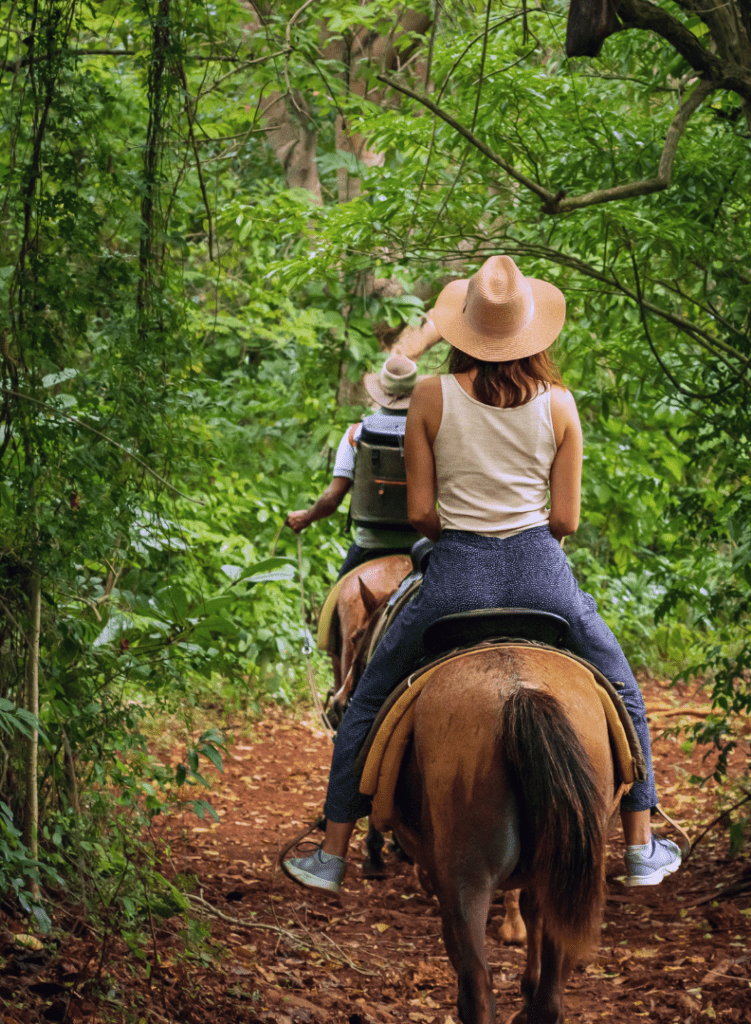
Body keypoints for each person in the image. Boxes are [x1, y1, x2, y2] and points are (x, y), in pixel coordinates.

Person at [282, 254, 682, 893]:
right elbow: (567, 520)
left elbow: (418, 513)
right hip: (541, 574)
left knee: (366, 695)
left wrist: (462, 537)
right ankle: (640, 845)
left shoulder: (432, 397)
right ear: (531, 332)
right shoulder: (561, 404)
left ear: (465, 329)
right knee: (622, 686)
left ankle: (331, 852)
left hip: (455, 579)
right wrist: (520, 537)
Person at [286, 353, 426, 578]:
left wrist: (306, 517)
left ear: (381, 391)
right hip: (418, 548)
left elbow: (333, 498)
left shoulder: (356, 434)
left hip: (369, 547)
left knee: (331, 609)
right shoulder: (431, 435)